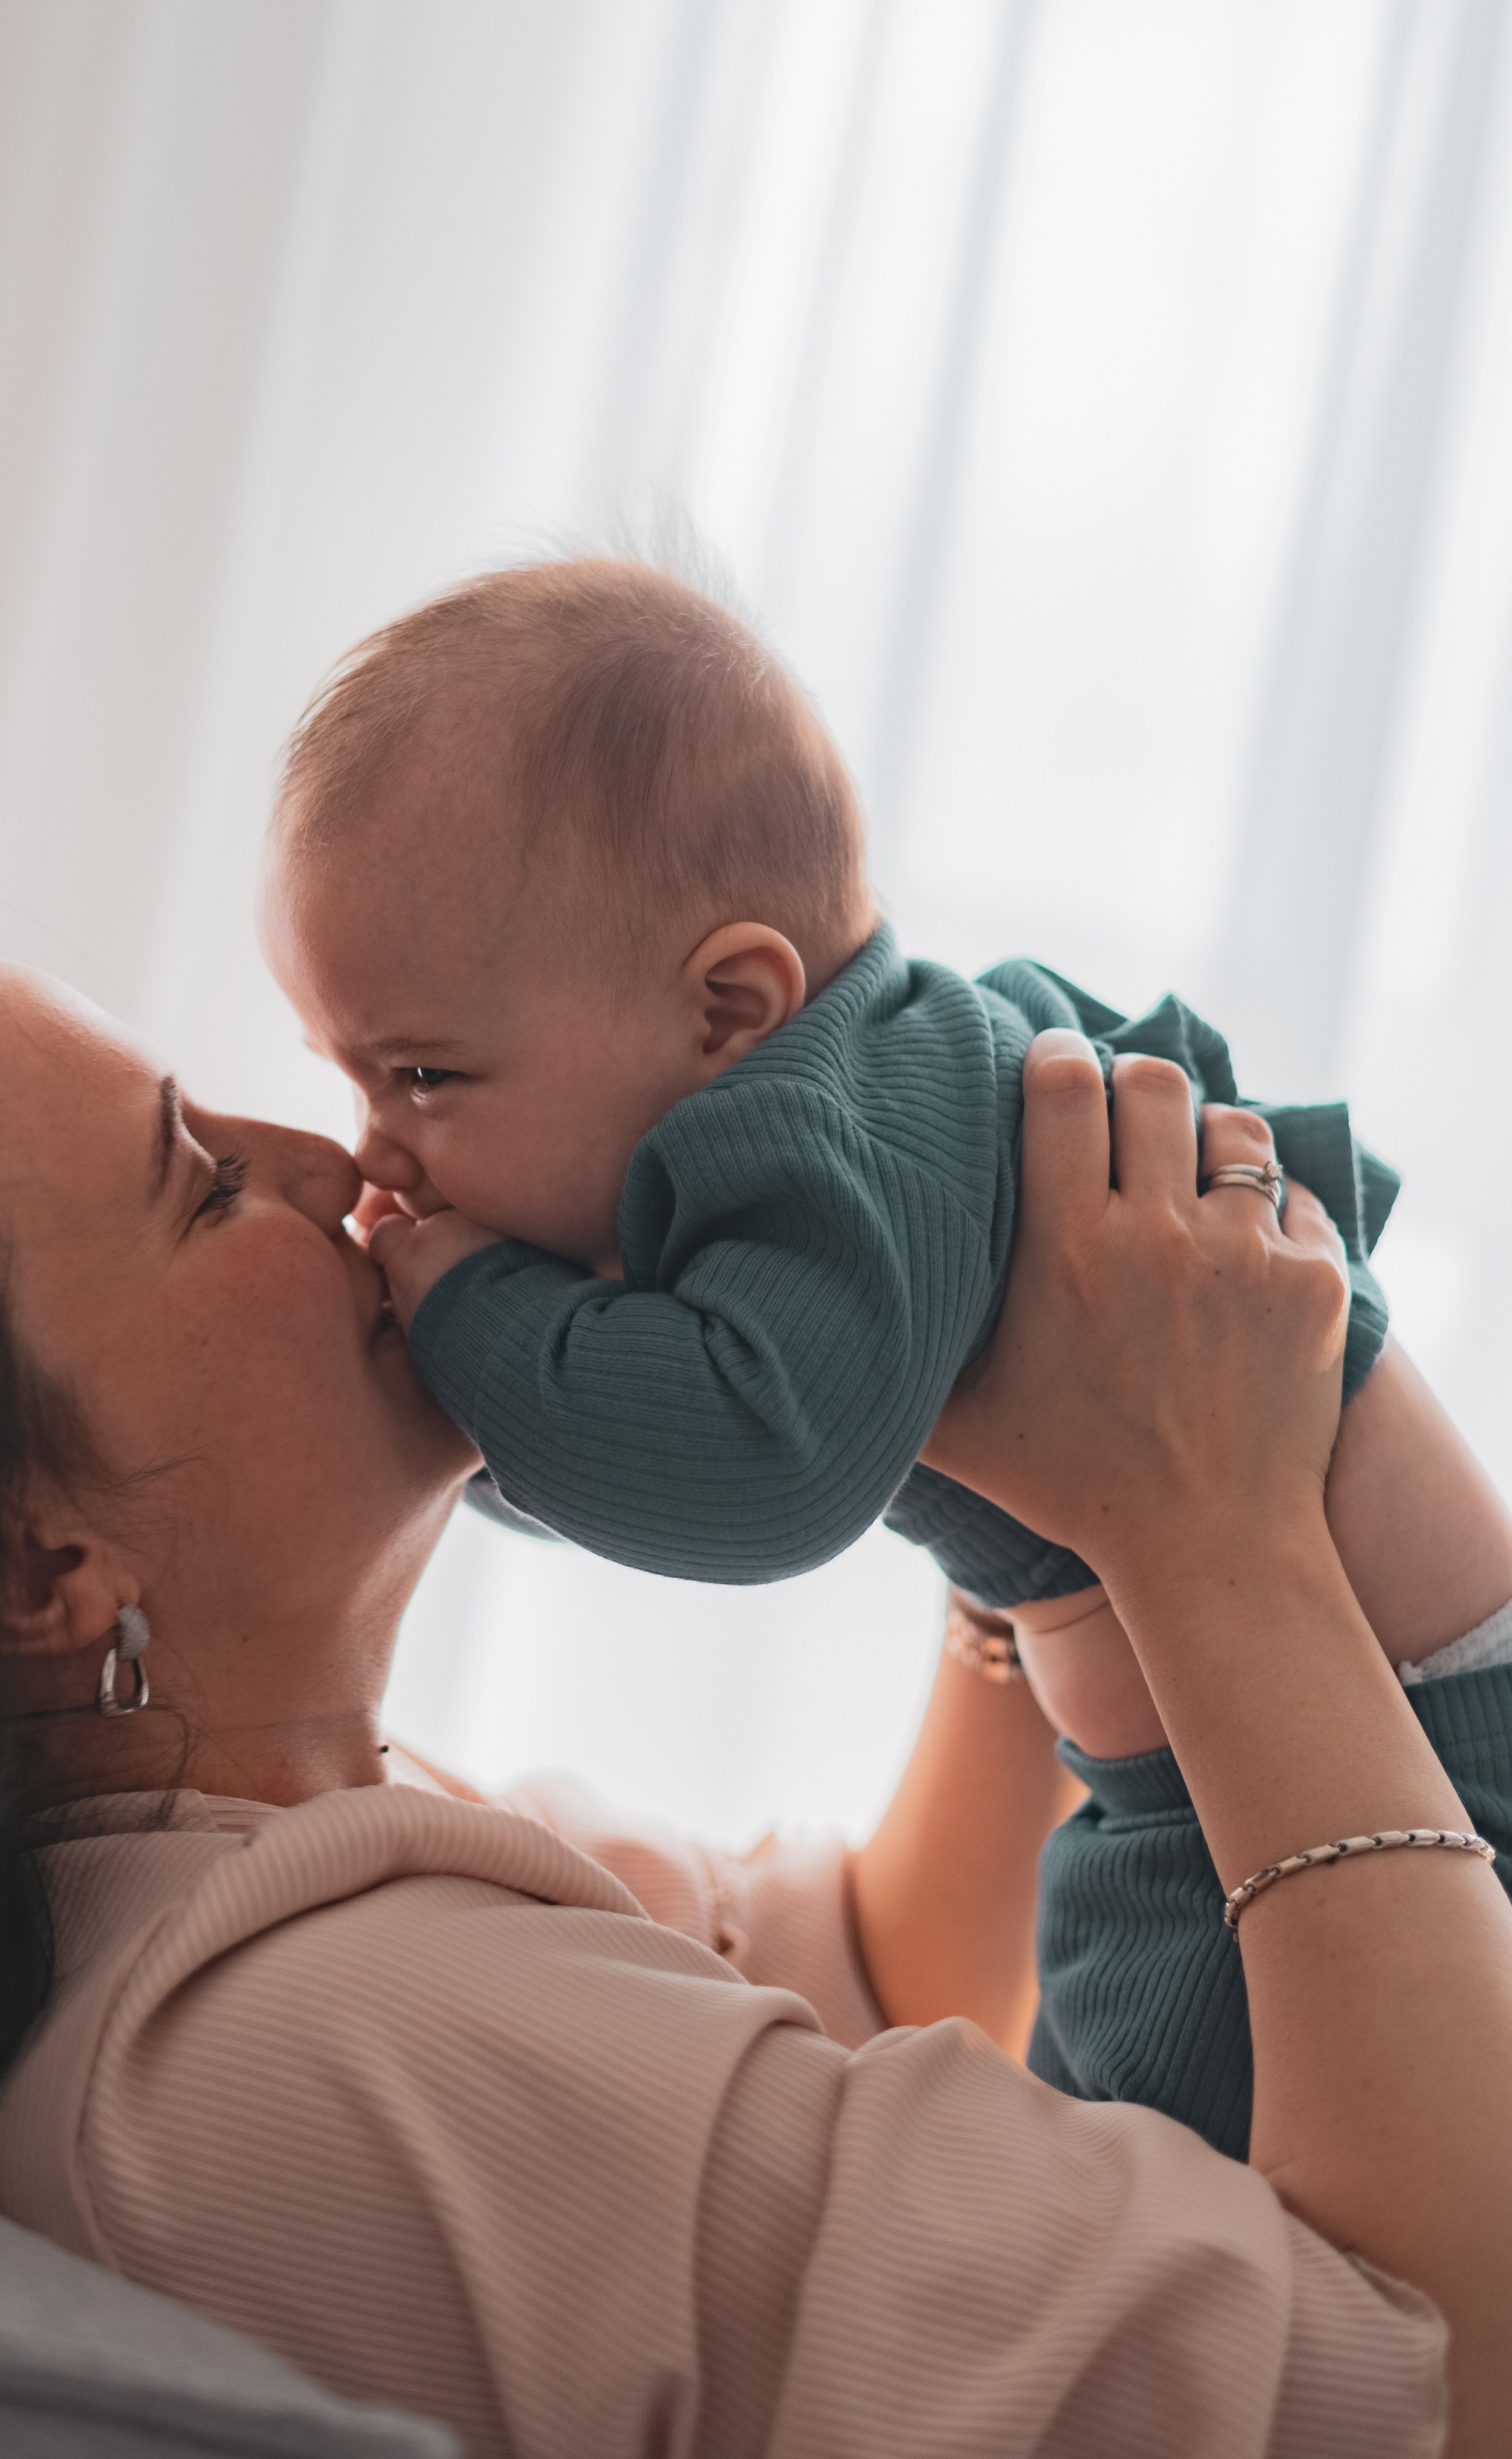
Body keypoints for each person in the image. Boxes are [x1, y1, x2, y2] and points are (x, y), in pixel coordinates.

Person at [0, 909, 1509, 2453]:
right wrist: (1208, 1528)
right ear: (35, 1562)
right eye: (195, 1179)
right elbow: (1420, 2382)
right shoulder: (317, 2044)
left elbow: (870, 1971)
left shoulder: (241, 1884)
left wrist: (1003, 1481)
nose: (330, 1160)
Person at [258, 555, 1512, 2152]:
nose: (377, 1149)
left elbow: (751, 1472)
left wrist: (450, 1308)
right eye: (350, 1072)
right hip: (1217, 1770)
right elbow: (607, 1443)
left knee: (1203, 2225)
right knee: (1136, 2178)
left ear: (729, 1005)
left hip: (1394, 1767)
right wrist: (448, 1375)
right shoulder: (827, 1097)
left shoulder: (843, 1131)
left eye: (421, 1073)